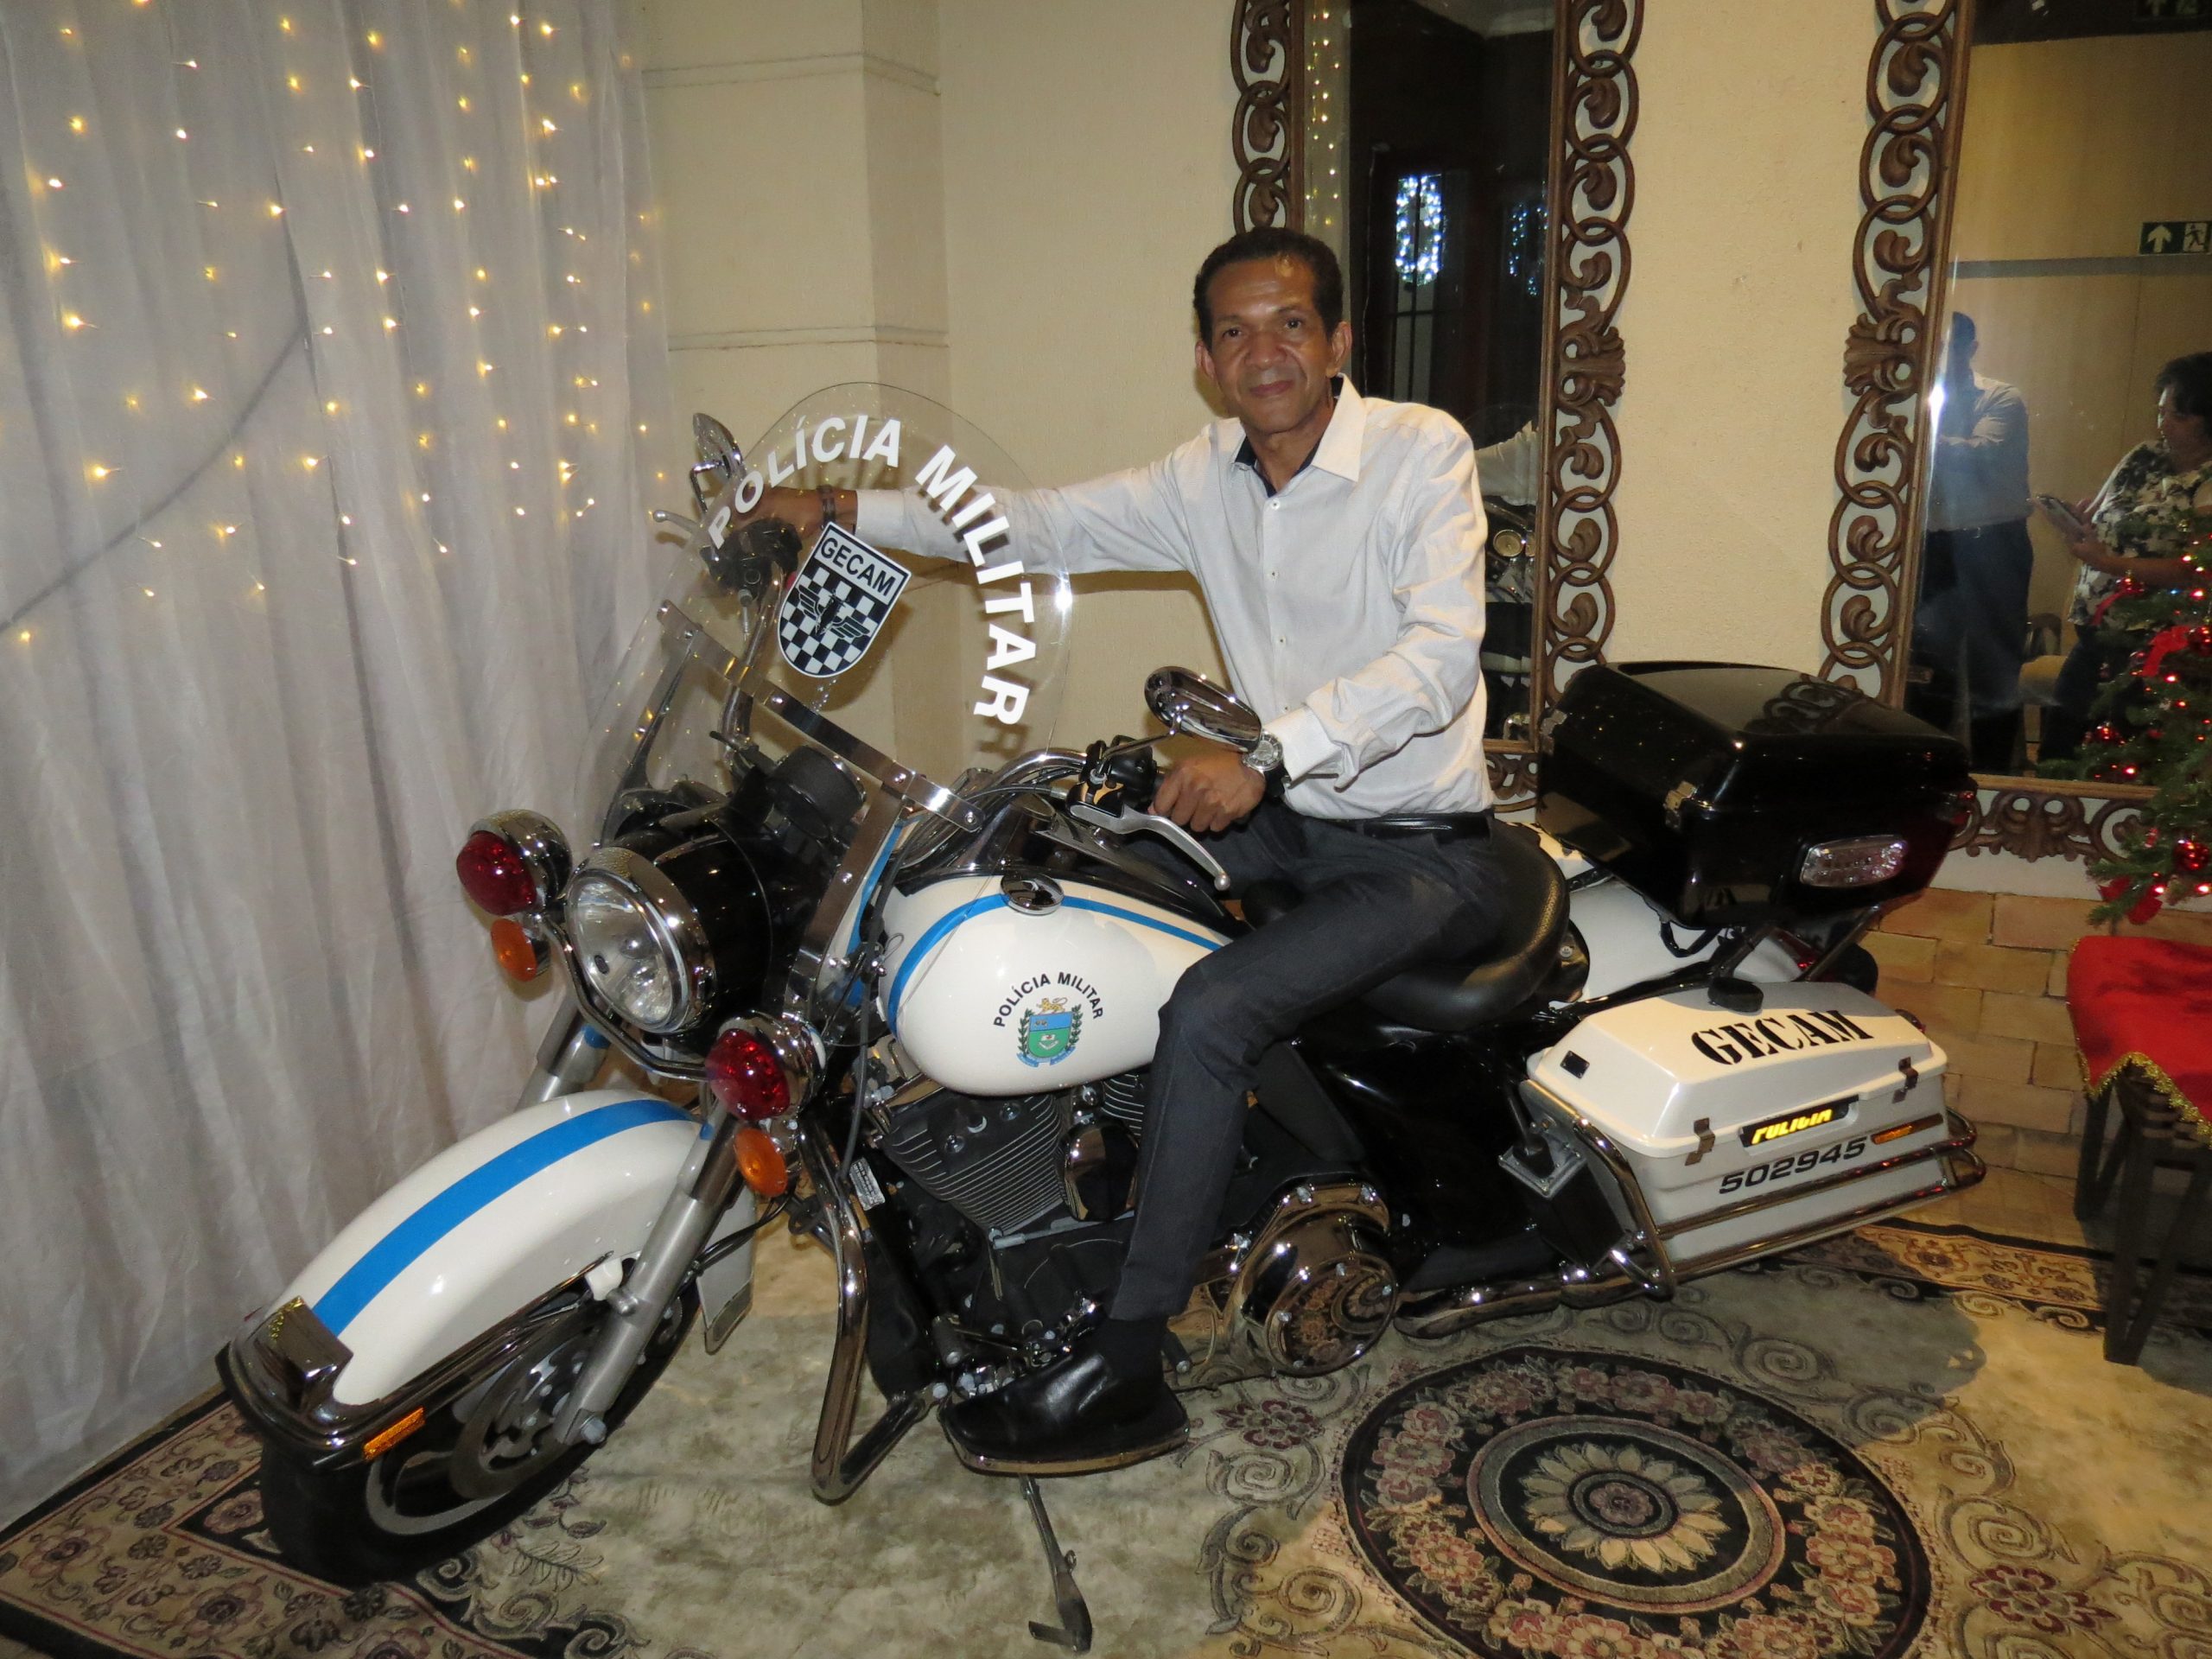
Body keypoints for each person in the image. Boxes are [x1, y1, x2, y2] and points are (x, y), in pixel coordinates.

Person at [744, 226, 1507, 1472]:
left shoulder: (1419, 453)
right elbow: (1027, 525)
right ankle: (1047, 1204)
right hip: (1286, 820)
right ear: (1206, 361)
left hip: (1421, 850)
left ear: (1338, 341)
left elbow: (1437, 660)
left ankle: (1130, 1349)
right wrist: (837, 508)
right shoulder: (1204, 477)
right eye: (1235, 332)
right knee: (1051, 876)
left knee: (1209, 1009)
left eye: (1291, 324)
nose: (1264, 352)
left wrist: (1269, 753)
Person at [2040, 351, 2212, 761]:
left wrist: (2109, 563)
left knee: (2125, 755)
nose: (2163, 424)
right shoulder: (2142, 456)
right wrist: (2079, 524)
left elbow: (2196, 570)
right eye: (2161, 412)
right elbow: (2099, 517)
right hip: (2095, 627)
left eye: (2179, 416)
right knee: (2060, 746)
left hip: (2157, 644)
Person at [1909, 314, 2032, 770]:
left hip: (1993, 543)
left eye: (1948, 348)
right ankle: (1929, 771)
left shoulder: (2001, 397)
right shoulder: (1914, 399)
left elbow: (1982, 455)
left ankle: (1997, 780)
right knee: (1926, 666)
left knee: (1993, 667)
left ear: (1970, 349)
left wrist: (1916, 434)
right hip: (1933, 544)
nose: (1939, 358)